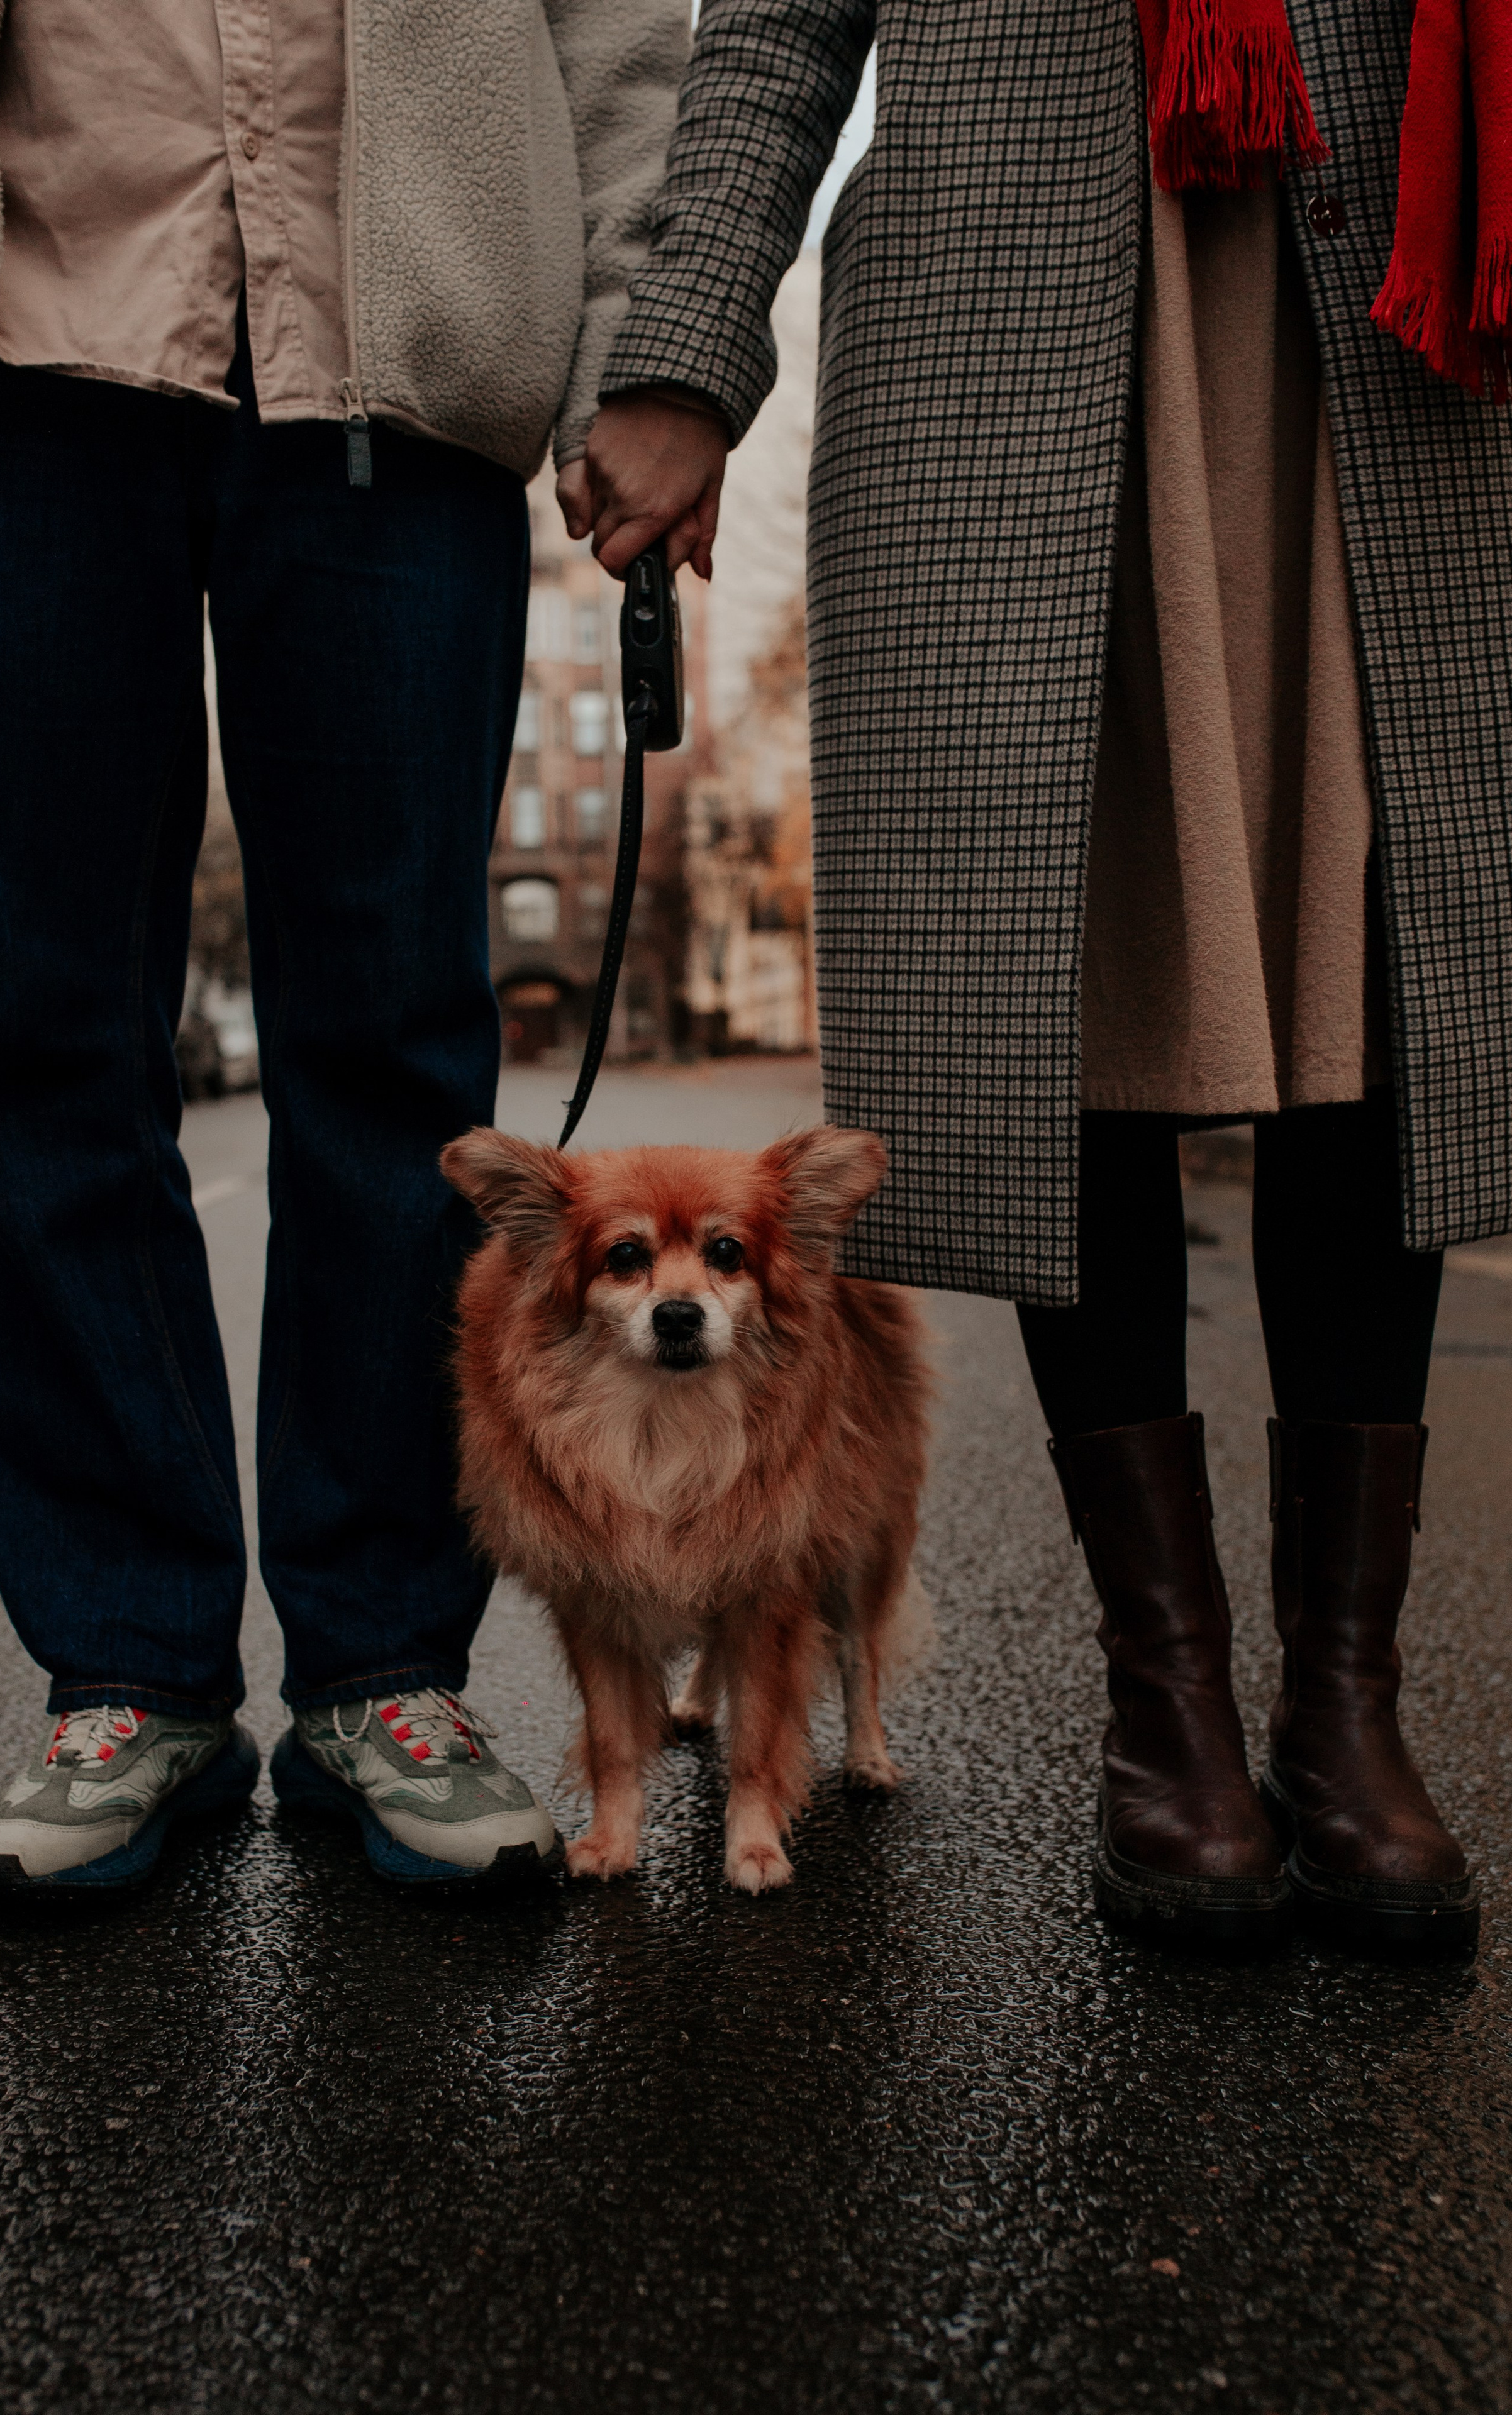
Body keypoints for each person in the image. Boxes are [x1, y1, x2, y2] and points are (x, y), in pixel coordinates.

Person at [571, 0, 1512, 1957]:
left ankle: (1344, 1709)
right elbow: (776, 25)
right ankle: (1169, 1704)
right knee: (1057, 971)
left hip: (1395, 290)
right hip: (1008, 307)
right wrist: (681, 354)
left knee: (1382, 964)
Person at [0, 0, 688, 1892]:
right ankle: (130, 1675)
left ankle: (383, 1671)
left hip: (394, 362)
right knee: (34, 1033)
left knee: (399, 1052)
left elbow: (613, 27)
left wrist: (645, 352)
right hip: (3, 347)